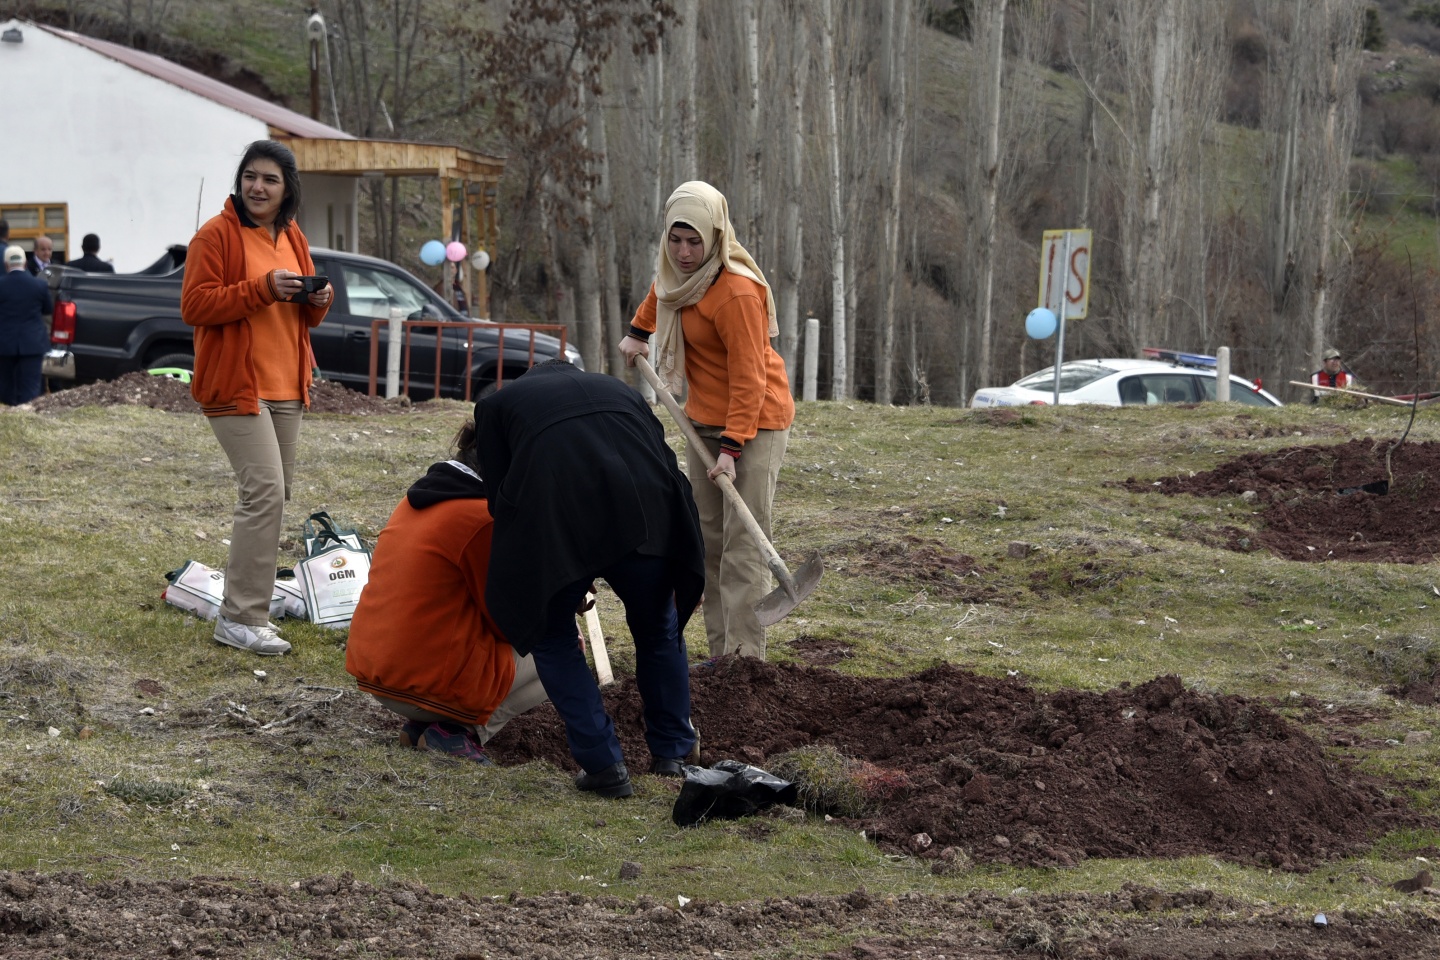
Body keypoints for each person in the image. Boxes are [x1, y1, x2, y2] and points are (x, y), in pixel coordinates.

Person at [474, 359, 705, 798]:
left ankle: (604, 766)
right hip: (647, 514)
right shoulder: (620, 390)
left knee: (553, 636)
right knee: (658, 628)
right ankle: (672, 754)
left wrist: (562, 569)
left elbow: (500, 497)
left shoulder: (499, 404)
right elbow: (663, 459)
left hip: (556, 522)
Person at [617, 180, 794, 661]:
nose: (684, 252)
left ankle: (744, 658)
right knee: (709, 542)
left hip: (755, 421)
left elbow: (750, 378)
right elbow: (664, 290)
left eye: (695, 241)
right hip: (703, 420)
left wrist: (733, 449)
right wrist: (638, 331)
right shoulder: (678, 275)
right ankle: (720, 655)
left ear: (716, 236)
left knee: (742, 544)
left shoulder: (736, 291)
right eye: (675, 240)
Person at [181, 140, 333, 656]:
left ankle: (254, 602)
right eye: (250, 176)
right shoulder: (216, 235)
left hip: (287, 386)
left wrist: (318, 301)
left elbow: (299, 315)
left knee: (274, 494)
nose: (257, 187)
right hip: (235, 386)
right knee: (263, 492)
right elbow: (195, 305)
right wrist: (263, 287)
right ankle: (241, 617)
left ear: (287, 188)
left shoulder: (292, 235)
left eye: (269, 179)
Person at [345, 420, 549, 763]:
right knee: (557, 655)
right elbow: (506, 621)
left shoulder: (419, 498)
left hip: (377, 668)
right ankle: (458, 732)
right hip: (422, 681)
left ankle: (424, 726)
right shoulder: (480, 519)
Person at [0, 244, 53, 405]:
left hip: (4, 345)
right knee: (30, 389)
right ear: (24, 263)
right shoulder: (39, 285)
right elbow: (47, 309)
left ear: (6, 264)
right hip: (32, 343)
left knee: (6, 387)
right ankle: (27, 418)